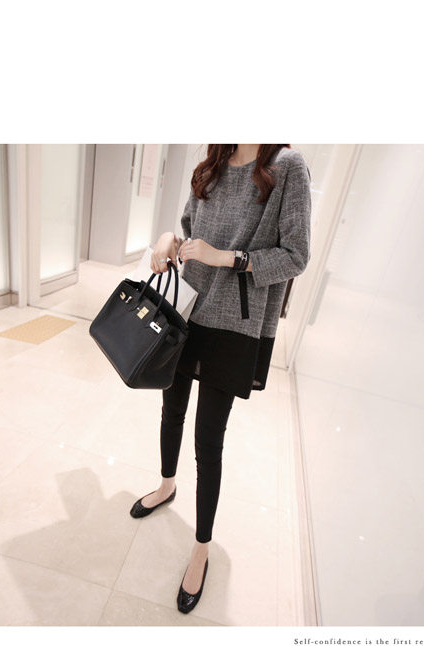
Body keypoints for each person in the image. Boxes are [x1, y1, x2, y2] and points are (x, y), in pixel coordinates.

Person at [129, 144, 312, 614]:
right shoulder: (209, 167)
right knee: (171, 409)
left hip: (233, 323)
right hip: (185, 310)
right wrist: (169, 238)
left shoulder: (286, 167)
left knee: (208, 440)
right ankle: (167, 486)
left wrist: (229, 258)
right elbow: (191, 234)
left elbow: (295, 256)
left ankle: (201, 548)